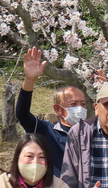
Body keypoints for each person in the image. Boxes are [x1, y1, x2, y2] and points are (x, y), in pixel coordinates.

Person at [15, 47, 88, 175]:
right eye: (73, 104)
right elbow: (22, 114)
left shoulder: (91, 133)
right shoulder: (46, 131)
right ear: (58, 110)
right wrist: (30, 80)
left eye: (83, 104)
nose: (80, 109)